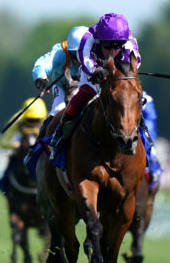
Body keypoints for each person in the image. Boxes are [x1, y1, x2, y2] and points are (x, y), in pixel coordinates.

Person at [49, 13, 141, 159]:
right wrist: (96, 70)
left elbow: (135, 62)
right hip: (92, 75)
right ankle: (61, 132)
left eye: (117, 46)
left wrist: (121, 68)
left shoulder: (130, 42)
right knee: (83, 95)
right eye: (107, 46)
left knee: (132, 100)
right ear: (99, 40)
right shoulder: (88, 38)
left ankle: (147, 143)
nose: (112, 51)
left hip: (118, 76)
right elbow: (85, 59)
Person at [31, 25, 88, 118]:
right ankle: (49, 126)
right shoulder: (61, 53)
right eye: (75, 54)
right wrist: (41, 77)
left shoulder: (97, 53)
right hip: (61, 86)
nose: (79, 60)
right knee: (58, 109)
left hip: (86, 86)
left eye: (83, 54)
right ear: (69, 51)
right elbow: (41, 64)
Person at [0, 97, 47, 195]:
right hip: (22, 148)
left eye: (36, 120)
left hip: (41, 147)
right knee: (12, 163)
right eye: (30, 120)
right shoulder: (17, 119)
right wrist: (16, 145)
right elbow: (2, 142)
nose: (33, 124)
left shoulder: (48, 119)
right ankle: (4, 186)